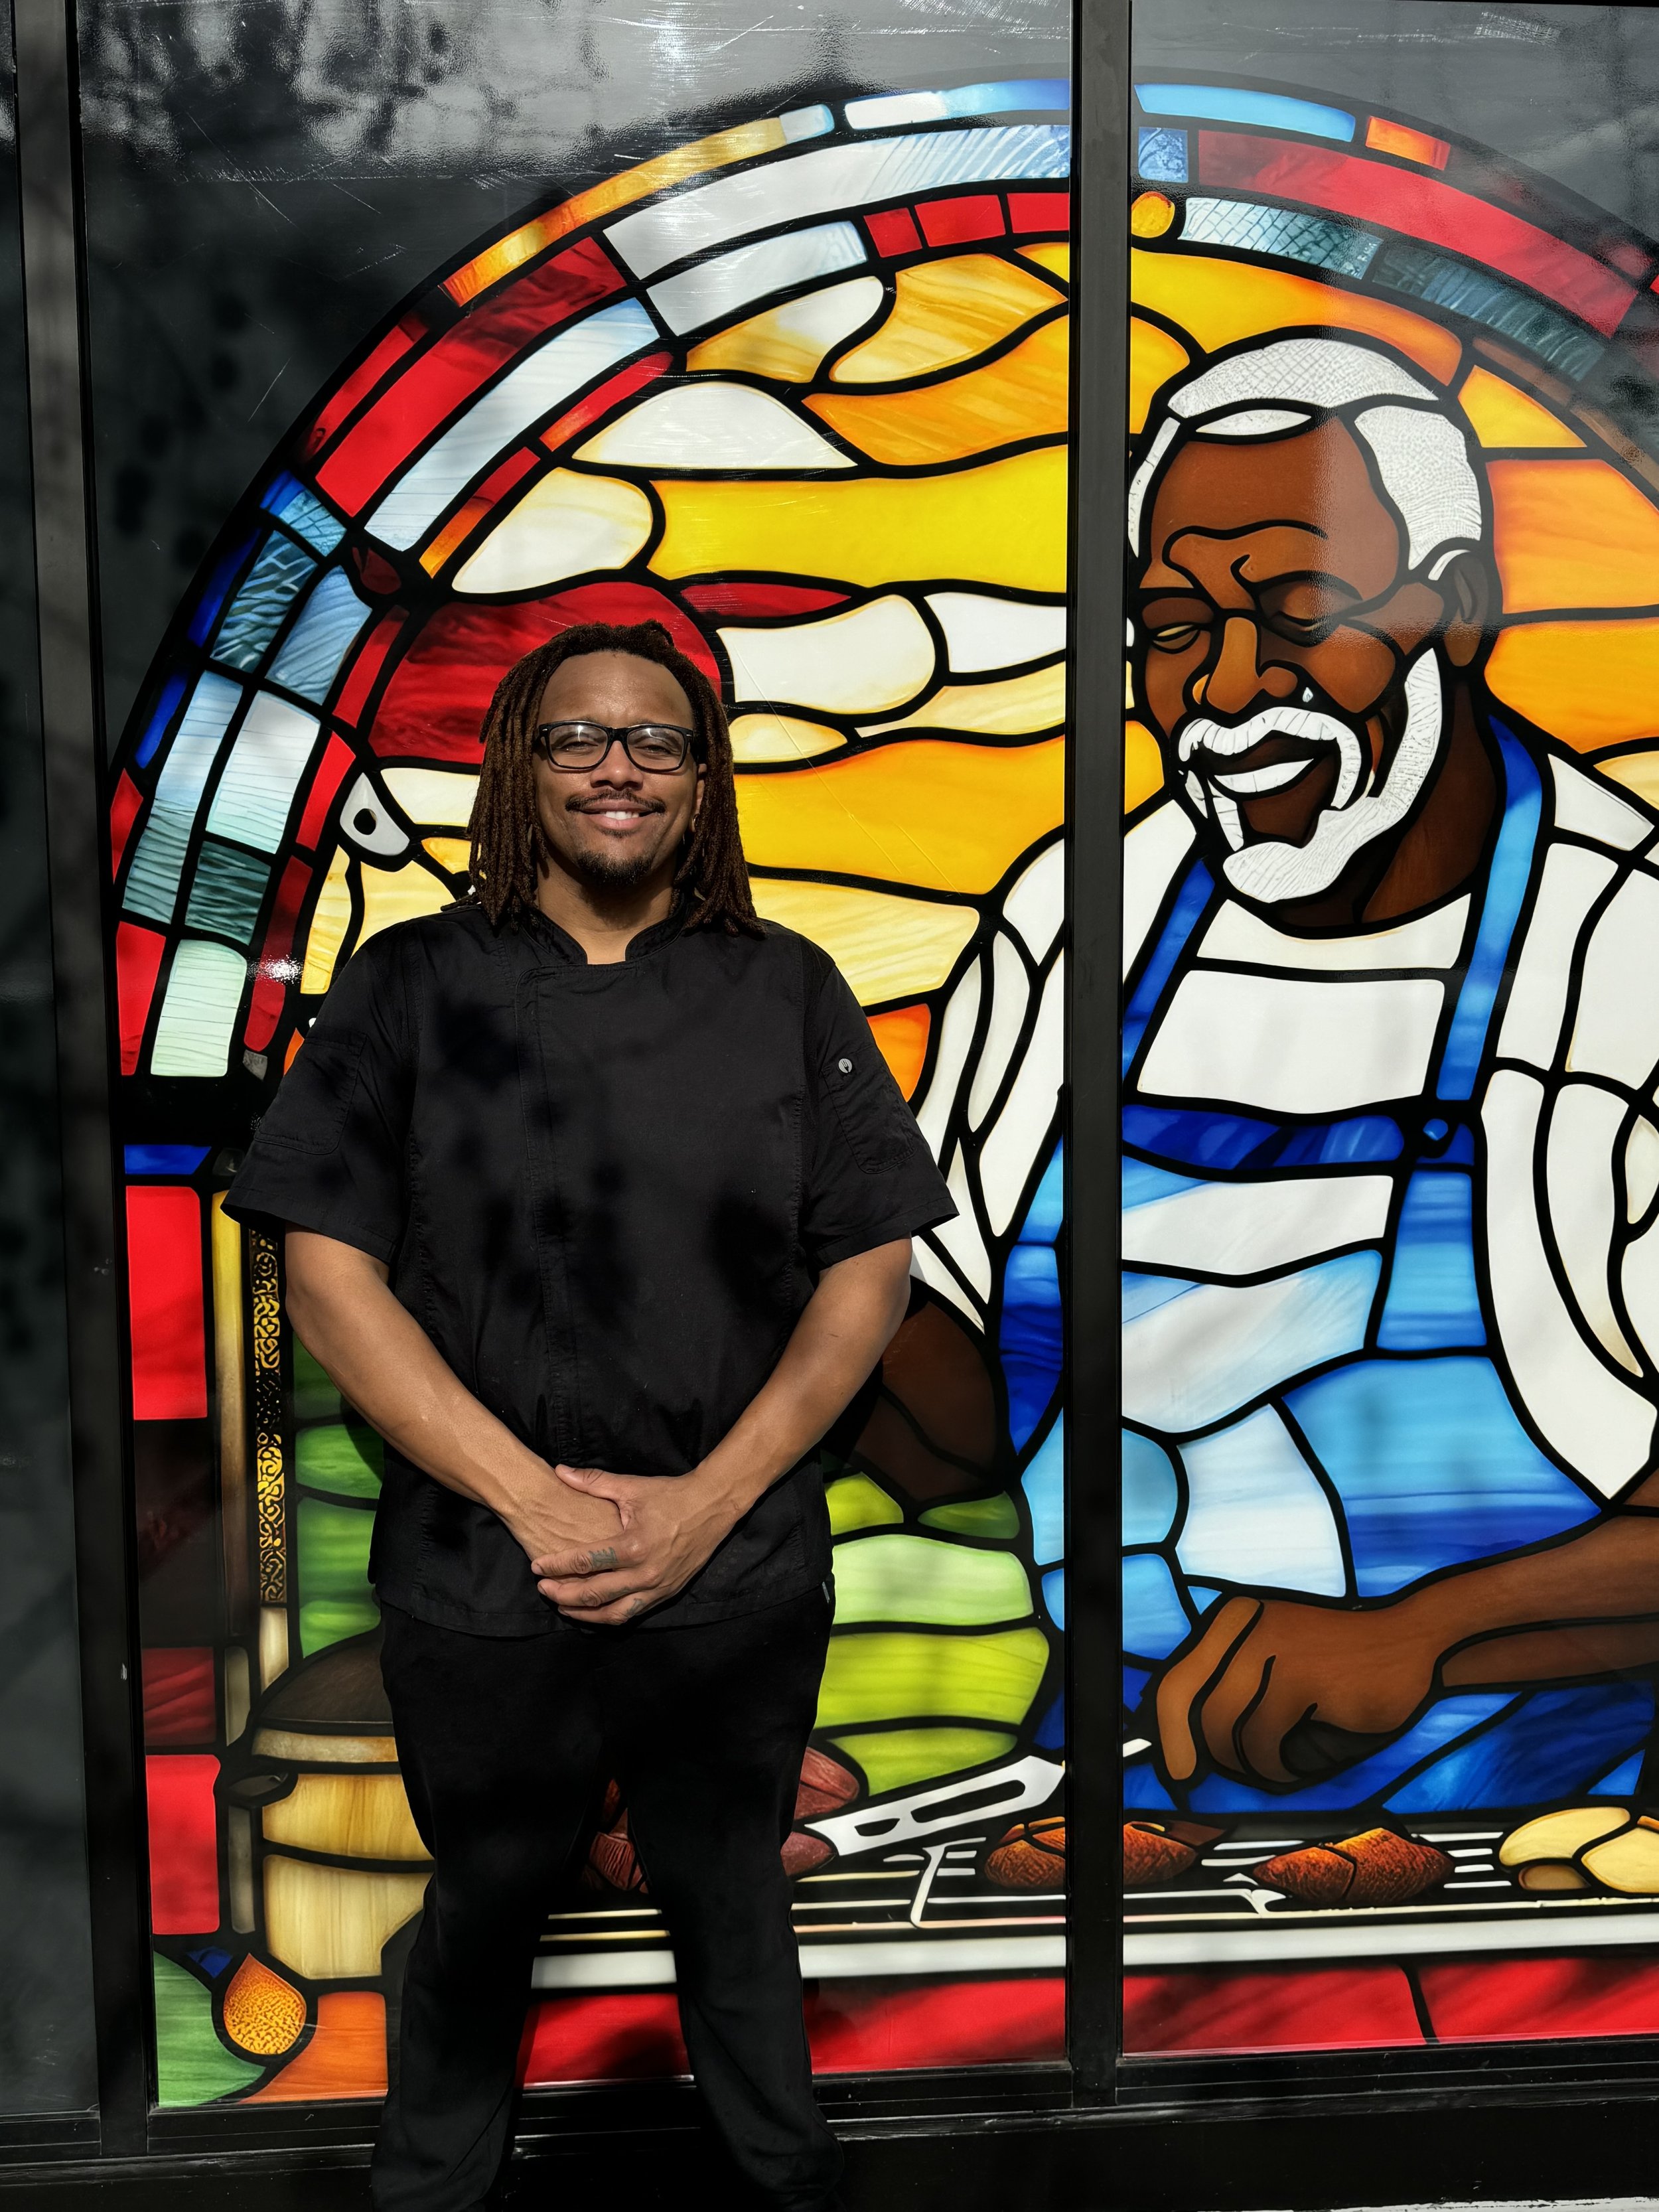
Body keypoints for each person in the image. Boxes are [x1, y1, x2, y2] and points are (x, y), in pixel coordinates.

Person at [224, 618, 954, 2212]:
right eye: (577, 736)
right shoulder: (409, 985)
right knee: (483, 1904)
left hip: (734, 1567)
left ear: (700, 780)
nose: (617, 767)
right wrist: (532, 1498)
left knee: (732, 1905)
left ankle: (788, 2188)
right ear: (519, 766)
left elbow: (869, 1267)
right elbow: (327, 1273)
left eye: (655, 740)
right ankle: (428, 2194)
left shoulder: (785, 986)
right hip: (483, 1572)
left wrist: (702, 1501)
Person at [1119, 331, 1659, 1816]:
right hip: (1100, 1815)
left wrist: (1425, 1635)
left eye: (1298, 611)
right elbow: (951, 1397)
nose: (1227, 691)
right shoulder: (1082, 918)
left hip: (1532, 1846)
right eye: (1172, 627)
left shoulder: (1622, 952)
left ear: (1459, 611)